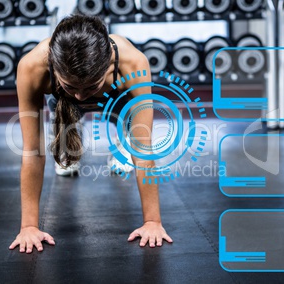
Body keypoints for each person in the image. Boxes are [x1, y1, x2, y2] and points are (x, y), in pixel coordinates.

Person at [9, 14, 173, 253]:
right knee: (66, 161)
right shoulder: (32, 67)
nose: (81, 96)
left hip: (117, 100)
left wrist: (153, 222)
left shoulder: (132, 63)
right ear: (54, 68)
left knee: (130, 148)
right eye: (71, 86)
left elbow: (144, 148)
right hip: (62, 104)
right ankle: (69, 126)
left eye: (91, 86)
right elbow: (33, 152)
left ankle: (120, 139)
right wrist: (28, 227)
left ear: (107, 64)